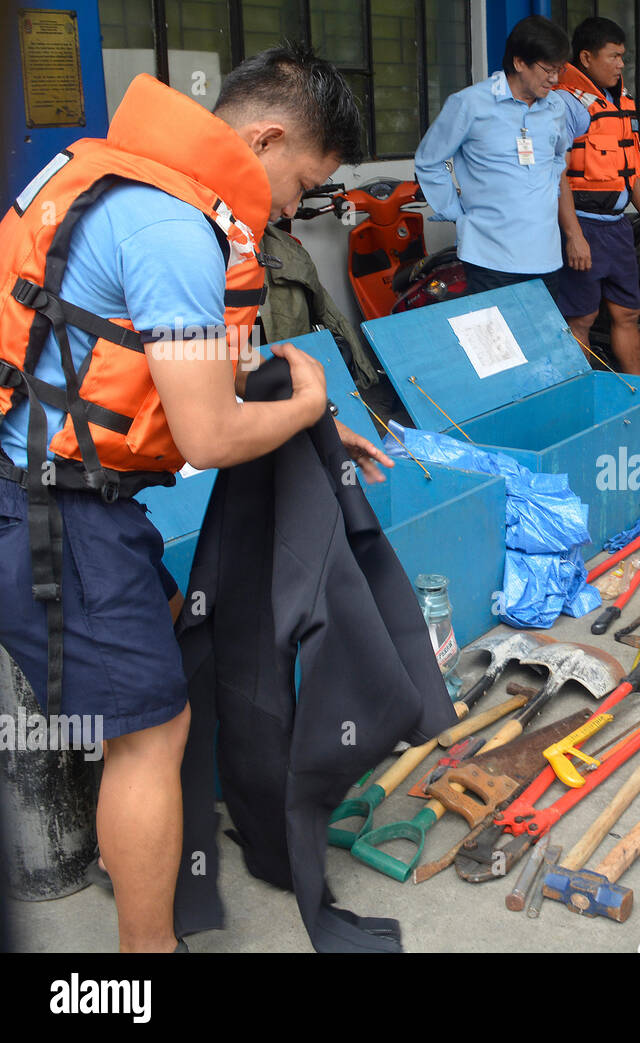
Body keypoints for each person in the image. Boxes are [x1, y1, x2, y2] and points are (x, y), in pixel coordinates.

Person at [0, 43, 387, 952]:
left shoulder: (113, 182)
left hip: (68, 498)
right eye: (300, 183)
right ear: (266, 136)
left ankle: (131, 847)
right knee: (151, 731)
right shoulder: (173, 228)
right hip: (52, 512)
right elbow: (209, 435)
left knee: (180, 634)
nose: (294, 209)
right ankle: (143, 958)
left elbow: (154, 366)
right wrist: (307, 405)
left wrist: (317, 429)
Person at [414, 15, 574, 300]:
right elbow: (430, 160)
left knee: (541, 343)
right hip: (490, 258)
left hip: (546, 256)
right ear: (519, 62)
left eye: (558, 69)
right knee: (498, 344)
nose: (555, 78)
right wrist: (455, 212)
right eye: (548, 69)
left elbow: (559, 157)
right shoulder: (470, 104)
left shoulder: (555, 107)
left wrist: (546, 194)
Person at [553, 16, 640, 374]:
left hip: (617, 227)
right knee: (581, 317)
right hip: (584, 225)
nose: (620, 64)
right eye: (613, 56)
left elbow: (633, 163)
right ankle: (582, 396)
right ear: (585, 58)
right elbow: (557, 174)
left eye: (622, 57)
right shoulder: (565, 104)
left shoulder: (623, 100)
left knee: (628, 312)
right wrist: (574, 236)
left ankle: (637, 387)